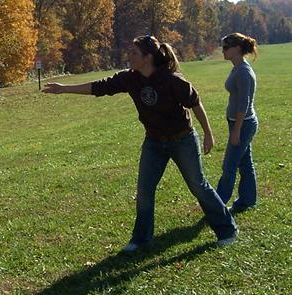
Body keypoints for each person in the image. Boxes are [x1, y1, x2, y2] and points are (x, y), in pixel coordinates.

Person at [42, 35, 238, 251]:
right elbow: (100, 87)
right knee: (145, 190)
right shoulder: (131, 78)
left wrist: (208, 133)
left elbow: (196, 104)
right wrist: (64, 88)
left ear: (147, 57)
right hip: (154, 142)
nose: (129, 56)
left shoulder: (172, 80)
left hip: (182, 139)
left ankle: (227, 229)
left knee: (198, 187)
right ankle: (141, 238)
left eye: (134, 53)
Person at [217, 33, 259, 213]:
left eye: (226, 47)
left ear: (237, 49)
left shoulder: (243, 71)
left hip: (243, 124)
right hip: (238, 123)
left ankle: (217, 204)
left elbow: (244, 104)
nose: (223, 51)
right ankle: (247, 200)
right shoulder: (237, 68)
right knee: (245, 163)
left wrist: (236, 131)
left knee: (229, 165)